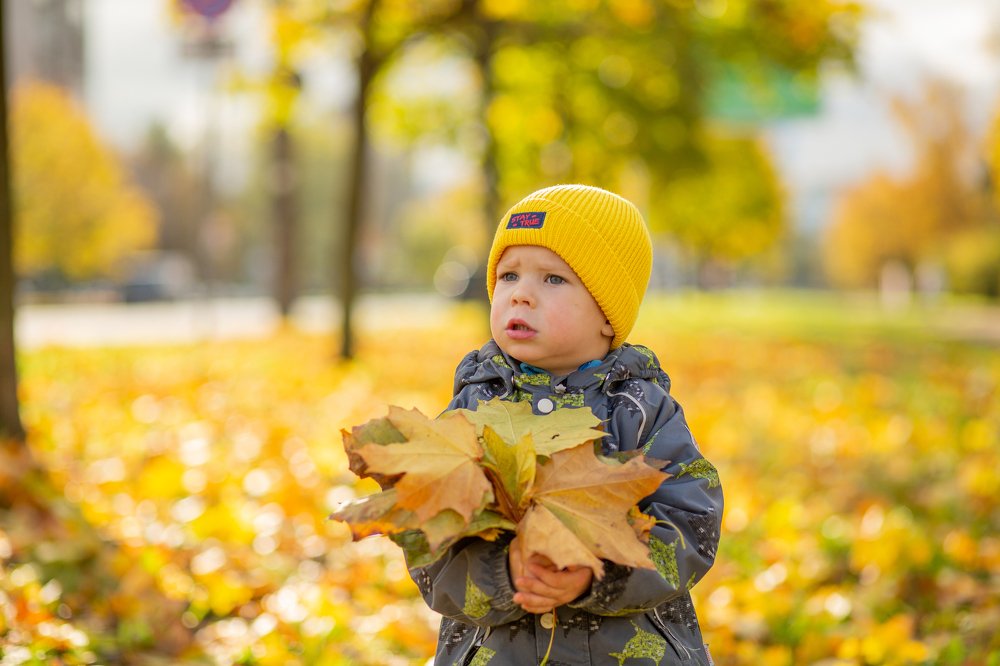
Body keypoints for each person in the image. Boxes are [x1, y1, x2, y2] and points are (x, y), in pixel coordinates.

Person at [407, 184, 724, 665]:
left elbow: (691, 521)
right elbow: (427, 539)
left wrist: (600, 572)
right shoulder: (472, 412)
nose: (522, 296)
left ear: (607, 314)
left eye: (553, 280)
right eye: (509, 275)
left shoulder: (639, 410)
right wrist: (503, 574)